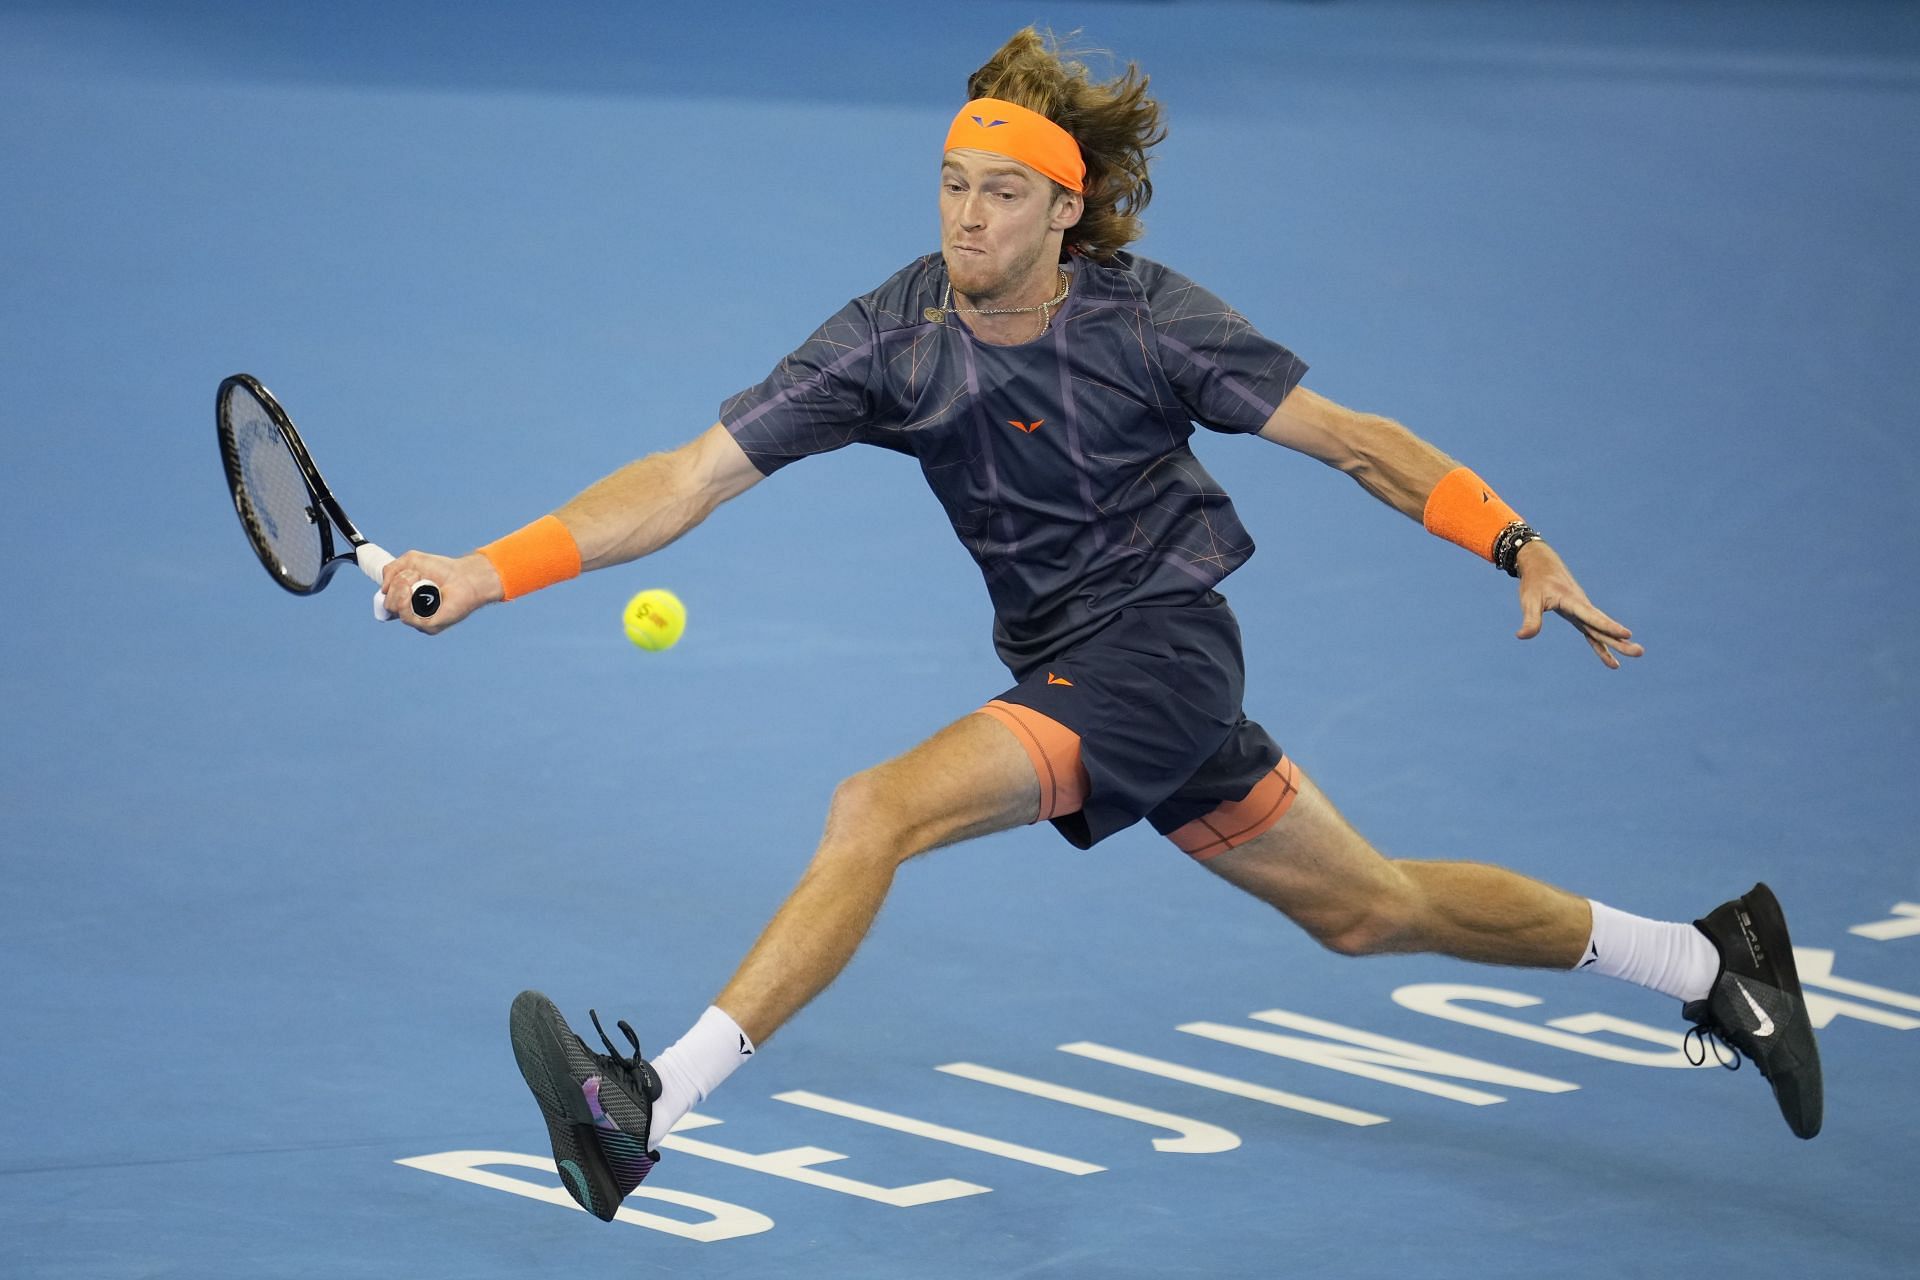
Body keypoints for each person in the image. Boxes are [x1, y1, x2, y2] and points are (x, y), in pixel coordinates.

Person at [381, 29, 1823, 1224]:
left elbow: (1356, 442)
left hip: (1159, 651)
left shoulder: (1150, 325)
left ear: (1066, 210)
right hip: (1080, 669)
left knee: (876, 809)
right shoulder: (890, 338)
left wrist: (1512, 535)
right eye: (949, 186)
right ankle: (1713, 962)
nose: (965, 218)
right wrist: (489, 570)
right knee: (1371, 909)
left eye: (1001, 194)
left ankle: (648, 1105)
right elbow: (683, 481)